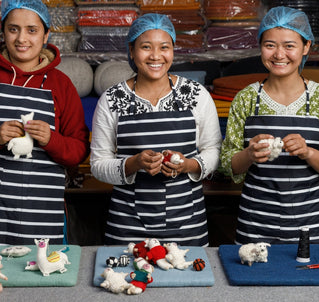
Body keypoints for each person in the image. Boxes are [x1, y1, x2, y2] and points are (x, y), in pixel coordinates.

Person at [0, 0, 90, 245]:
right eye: (13, 29)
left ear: (46, 35)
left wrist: (51, 139)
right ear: (3, 31)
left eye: (32, 30)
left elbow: (79, 151)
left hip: (39, 214)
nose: (22, 38)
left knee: (37, 274)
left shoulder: (61, 85)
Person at [220, 6, 319, 245]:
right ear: (260, 46)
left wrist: (308, 152)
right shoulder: (246, 99)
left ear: (306, 47)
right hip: (255, 227)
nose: (279, 54)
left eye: (289, 45)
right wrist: (249, 154)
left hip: (312, 229)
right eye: (270, 45)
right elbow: (228, 165)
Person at [90, 13, 222, 246]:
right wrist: (135, 163)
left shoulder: (196, 94)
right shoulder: (111, 99)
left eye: (164, 47)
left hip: (188, 226)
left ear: (173, 50)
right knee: (127, 281)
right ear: (131, 51)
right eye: (146, 47)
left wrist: (187, 165)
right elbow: (98, 165)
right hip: (127, 227)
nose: (155, 56)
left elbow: (213, 149)